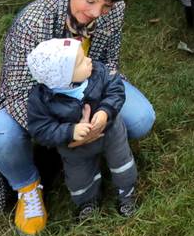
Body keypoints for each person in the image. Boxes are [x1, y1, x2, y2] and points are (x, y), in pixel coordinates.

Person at [0, 0, 155, 236]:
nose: (97, 13)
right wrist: (67, 132)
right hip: (40, 104)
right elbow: (18, 91)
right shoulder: (33, 22)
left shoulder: (113, 11)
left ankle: (100, 150)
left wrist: (103, 111)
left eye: (107, 6)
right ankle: (28, 187)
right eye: (90, 1)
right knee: (0, 134)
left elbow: (110, 64)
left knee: (142, 119)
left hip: (92, 89)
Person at [25, 38, 137, 220]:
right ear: (62, 77)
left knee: (122, 164)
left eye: (84, 55)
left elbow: (115, 88)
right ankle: (87, 201)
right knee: (79, 177)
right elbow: (41, 129)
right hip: (75, 147)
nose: (89, 60)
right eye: (80, 61)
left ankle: (126, 193)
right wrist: (70, 131)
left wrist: (105, 111)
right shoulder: (42, 100)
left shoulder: (98, 71)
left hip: (110, 133)